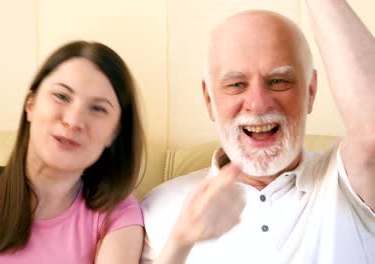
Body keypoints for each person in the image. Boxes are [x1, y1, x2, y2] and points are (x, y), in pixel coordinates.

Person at [0, 2, 145, 262]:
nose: (74, 120)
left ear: (114, 133)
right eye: (61, 96)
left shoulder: (115, 215)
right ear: (30, 104)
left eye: (98, 109)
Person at [141, 0, 374, 263]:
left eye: (278, 81)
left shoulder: (349, 184)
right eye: (237, 84)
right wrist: (181, 241)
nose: (259, 104)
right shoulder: (157, 210)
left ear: (310, 91)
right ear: (209, 100)